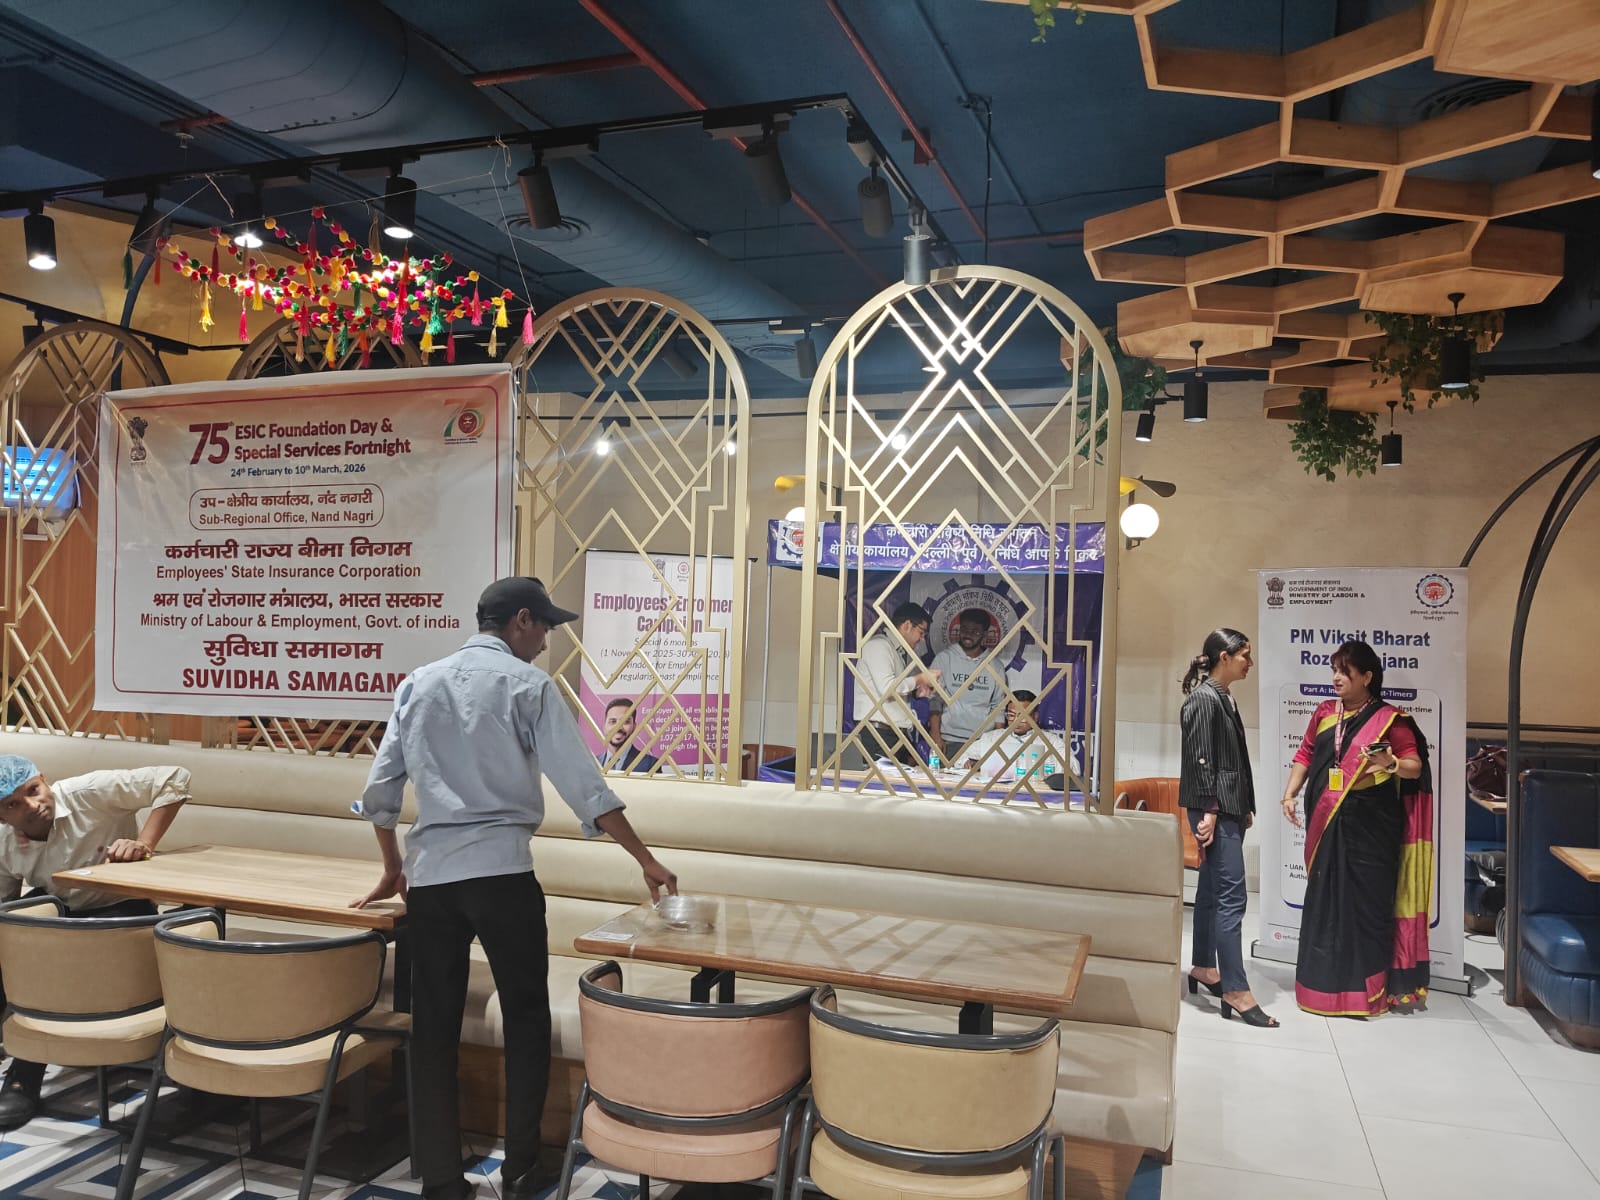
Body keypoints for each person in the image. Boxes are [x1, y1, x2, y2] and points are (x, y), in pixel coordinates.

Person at [353, 577, 678, 1200]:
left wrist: (393, 866)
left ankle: (441, 1180)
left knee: (433, 1026)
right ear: (521, 620)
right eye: (546, 626)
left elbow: (380, 793)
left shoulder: (419, 683)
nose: (547, 640)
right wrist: (645, 859)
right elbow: (584, 786)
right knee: (526, 1018)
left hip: (432, 881)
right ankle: (522, 1169)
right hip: (502, 876)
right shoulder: (527, 686)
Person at [0, 755, 191, 1128]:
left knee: (58, 954)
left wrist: (143, 843)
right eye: (12, 805)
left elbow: (175, 778)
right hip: (62, 911)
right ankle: (23, 1059)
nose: (32, 805)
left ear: (44, 779)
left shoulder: (89, 793)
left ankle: (25, 1072)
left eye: (33, 790)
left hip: (124, 908)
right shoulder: (4, 844)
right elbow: (6, 904)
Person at [1282, 640, 1432, 1018]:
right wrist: (1289, 794)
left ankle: (1367, 995)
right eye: (1334, 670)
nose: (1336, 678)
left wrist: (1391, 763)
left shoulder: (1390, 719)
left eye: (1344, 672)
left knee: (1367, 907)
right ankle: (1319, 990)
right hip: (1328, 820)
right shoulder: (1324, 712)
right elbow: (1304, 754)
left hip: (1371, 826)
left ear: (1366, 677)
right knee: (1325, 905)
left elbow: (1413, 765)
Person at [1178, 629, 1277, 1028]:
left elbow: (1230, 759)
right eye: (1244, 656)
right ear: (1224, 656)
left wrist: (1243, 805)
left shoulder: (1222, 696)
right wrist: (1212, 809)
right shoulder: (1204, 699)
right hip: (1212, 808)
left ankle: (1204, 966)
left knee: (1210, 890)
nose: (1250, 663)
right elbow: (1202, 759)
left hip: (1226, 807)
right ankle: (1235, 989)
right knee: (1232, 897)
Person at [851, 601, 940, 765]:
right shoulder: (878, 646)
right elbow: (887, 689)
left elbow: (898, 689)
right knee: (879, 781)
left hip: (895, 734)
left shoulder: (898, 651)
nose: (922, 639)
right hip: (878, 733)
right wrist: (920, 679)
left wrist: (918, 691)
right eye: (921, 632)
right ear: (907, 625)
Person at [928, 609, 1007, 764]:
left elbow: (998, 707)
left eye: (975, 631)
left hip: (982, 743)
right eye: (964, 629)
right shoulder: (944, 659)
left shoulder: (995, 665)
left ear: (985, 634)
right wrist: (936, 736)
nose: (968, 635)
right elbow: (935, 701)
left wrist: (995, 744)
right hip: (949, 740)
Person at [963, 691, 1075, 783]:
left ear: (1035, 717)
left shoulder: (1052, 741)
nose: (1017, 720)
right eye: (1011, 715)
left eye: (1023, 715)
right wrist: (970, 763)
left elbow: (1073, 768)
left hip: (1036, 794)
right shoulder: (992, 738)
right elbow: (961, 758)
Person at [597, 696, 660, 774]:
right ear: (604, 726)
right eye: (613, 721)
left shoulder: (650, 765)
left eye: (626, 722)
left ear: (634, 726)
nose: (618, 727)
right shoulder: (593, 763)